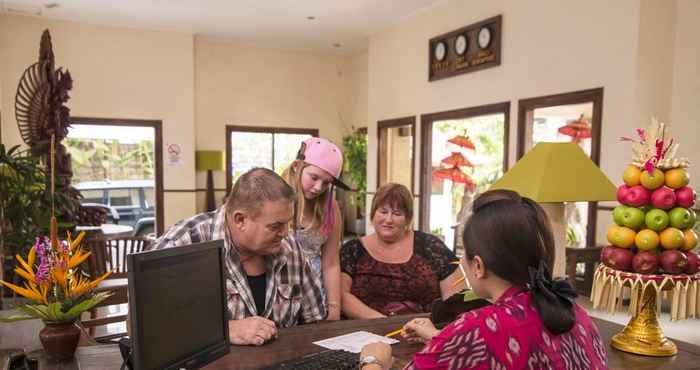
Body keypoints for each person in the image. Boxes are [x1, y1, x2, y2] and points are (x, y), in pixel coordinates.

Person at [358, 190, 607, 370]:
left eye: (464, 255)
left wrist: (374, 361)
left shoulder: (473, 328)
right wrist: (440, 337)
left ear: (478, 265)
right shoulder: (573, 311)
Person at [151, 168, 326, 346]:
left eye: (288, 223)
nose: (285, 233)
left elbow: (316, 322)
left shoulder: (290, 249)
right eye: (275, 226)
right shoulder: (182, 245)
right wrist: (226, 330)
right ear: (240, 219)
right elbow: (144, 329)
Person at [340, 183, 462, 319]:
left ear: (408, 219)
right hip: (364, 331)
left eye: (397, 213)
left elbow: (455, 297)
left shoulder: (431, 246)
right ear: (373, 214)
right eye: (383, 212)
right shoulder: (352, 250)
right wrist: (382, 322)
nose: (389, 219)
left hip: (424, 331)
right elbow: (341, 295)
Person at [281, 137, 349, 320]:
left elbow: (331, 263)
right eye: (314, 177)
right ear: (297, 166)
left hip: (315, 296)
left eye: (326, 182)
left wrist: (334, 309)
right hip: (280, 293)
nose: (319, 187)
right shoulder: (276, 198)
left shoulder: (330, 207)